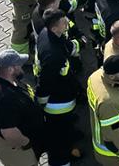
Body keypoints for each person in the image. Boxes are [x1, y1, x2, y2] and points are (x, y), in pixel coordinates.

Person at [33, 9, 84, 164]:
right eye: (63, 22)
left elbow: (66, 46)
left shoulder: (47, 34)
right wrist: (42, 102)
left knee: (65, 127)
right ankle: (61, 161)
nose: (67, 23)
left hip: (63, 98)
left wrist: (80, 43)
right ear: (54, 27)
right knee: (58, 137)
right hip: (58, 103)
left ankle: (69, 139)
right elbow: (46, 82)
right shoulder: (52, 55)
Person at [0, 50, 44, 166]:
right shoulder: (3, 99)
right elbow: (9, 133)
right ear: (10, 70)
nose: (21, 68)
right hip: (18, 150)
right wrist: (26, 143)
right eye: (19, 66)